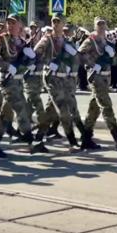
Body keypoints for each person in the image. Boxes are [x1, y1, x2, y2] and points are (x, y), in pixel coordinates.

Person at [0, 13, 51, 153]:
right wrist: (7, 66)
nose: (10, 25)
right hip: (7, 80)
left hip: (18, 81)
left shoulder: (23, 42)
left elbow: (27, 62)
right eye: (9, 23)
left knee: (6, 114)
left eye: (13, 23)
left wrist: (31, 60)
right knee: (21, 109)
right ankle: (31, 141)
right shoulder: (2, 39)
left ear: (20, 25)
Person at [78, 17, 117, 150]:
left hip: (106, 77)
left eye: (103, 24)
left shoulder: (107, 42)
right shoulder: (90, 40)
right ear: (95, 26)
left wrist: (112, 55)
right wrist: (92, 64)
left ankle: (86, 137)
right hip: (96, 77)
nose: (101, 27)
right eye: (99, 25)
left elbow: (114, 62)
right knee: (106, 105)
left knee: (94, 108)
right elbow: (80, 55)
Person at [34, 13, 81, 150]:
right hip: (52, 78)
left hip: (64, 79)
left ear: (63, 24)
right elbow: (35, 54)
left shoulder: (66, 41)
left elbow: (76, 59)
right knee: (63, 110)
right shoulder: (47, 39)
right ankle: (72, 141)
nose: (55, 24)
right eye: (53, 21)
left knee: (51, 111)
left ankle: (38, 138)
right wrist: (48, 63)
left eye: (58, 22)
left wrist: (72, 68)